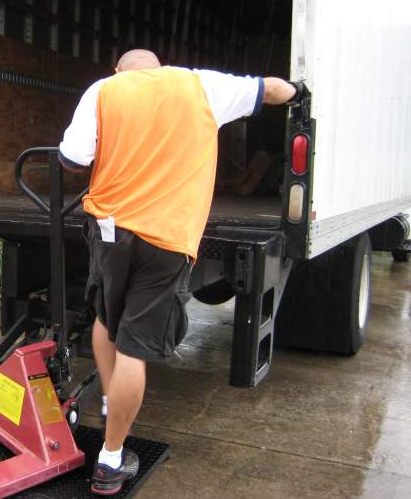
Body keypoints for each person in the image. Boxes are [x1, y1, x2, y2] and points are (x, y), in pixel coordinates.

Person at [58, 49, 306, 496]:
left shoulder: (103, 90)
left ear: (120, 71)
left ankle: (114, 402)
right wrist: (298, 92)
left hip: (110, 231)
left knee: (104, 320)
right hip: (166, 238)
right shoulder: (199, 84)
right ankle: (110, 462)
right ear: (158, 68)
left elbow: (73, 159)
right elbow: (268, 88)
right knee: (135, 344)